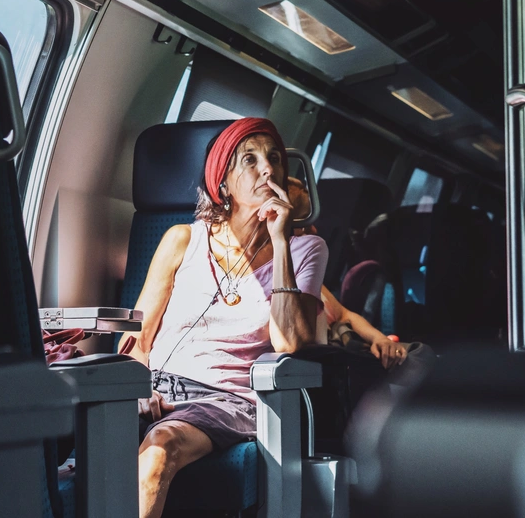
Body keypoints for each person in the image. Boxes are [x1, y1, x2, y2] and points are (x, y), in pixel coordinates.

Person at [117, 118, 328, 518]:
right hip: (157, 389)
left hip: (227, 401)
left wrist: (280, 241)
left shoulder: (306, 249)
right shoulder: (182, 239)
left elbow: (289, 343)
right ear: (223, 183)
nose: (267, 169)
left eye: (275, 158)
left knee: (161, 447)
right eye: (250, 159)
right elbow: (138, 339)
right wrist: (138, 388)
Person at [287, 179, 411, 371]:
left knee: (418, 354)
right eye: (305, 222)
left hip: (344, 354)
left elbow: (344, 314)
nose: (314, 230)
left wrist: (379, 339)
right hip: (328, 366)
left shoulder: (308, 277)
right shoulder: (279, 284)